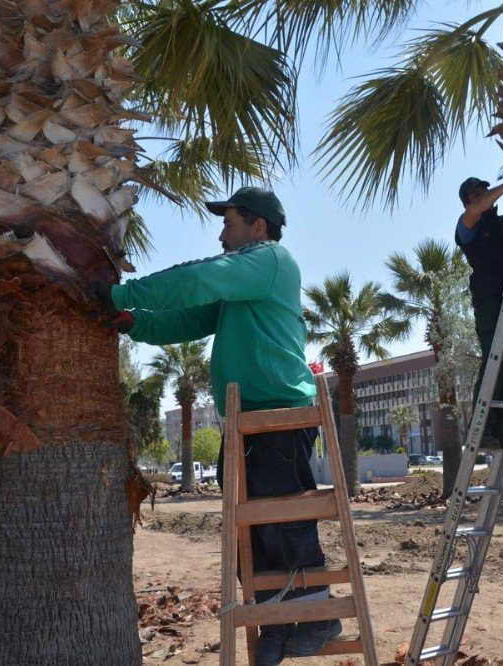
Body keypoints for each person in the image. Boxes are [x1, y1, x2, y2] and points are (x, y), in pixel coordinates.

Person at [91, 187, 340, 664]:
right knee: (246, 530)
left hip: (277, 416)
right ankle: (275, 621)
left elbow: (201, 279)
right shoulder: (243, 285)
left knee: (283, 521)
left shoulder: (270, 259)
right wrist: (132, 321)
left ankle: (318, 618)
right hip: (245, 422)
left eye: (229, 223)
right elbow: (190, 318)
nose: (221, 233)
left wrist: (121, 292)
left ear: (258, 227)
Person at [454, 174, 503, 450]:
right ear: (468, 200)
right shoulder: (468, 225)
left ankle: (501, 428)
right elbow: (475, 211)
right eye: (478, 192)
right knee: (494, 360)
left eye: (485, 189)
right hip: (490, 302)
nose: (484, 193)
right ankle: (482, 426)